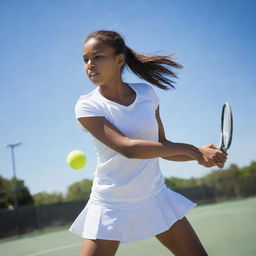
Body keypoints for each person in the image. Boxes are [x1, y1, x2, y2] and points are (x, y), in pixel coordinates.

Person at [69, 30, 227, 256]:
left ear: (120, 60)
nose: (89, 65)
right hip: (109, 204)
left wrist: (198, 157)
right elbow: (128, 148)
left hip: (154, 197)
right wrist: (194, 150)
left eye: (97, 57)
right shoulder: (87, 106)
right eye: (85, 59)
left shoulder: (147, 94)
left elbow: (162, 147)